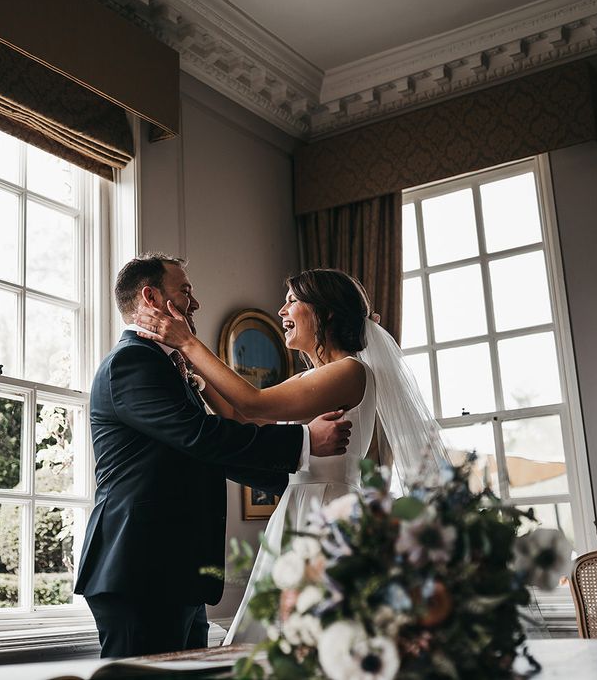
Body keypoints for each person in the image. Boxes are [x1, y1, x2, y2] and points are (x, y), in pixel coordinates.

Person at [134, 268, 447, 643]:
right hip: (300, 506)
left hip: (326, 513)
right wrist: (197, 382)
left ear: (325, 313)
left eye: (292, 301)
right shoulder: (310, 378)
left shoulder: (350, 371)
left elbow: (256, 402)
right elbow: (242, 415)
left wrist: (187, 343)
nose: (282, 311)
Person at [74, 254, 353, 658]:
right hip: (140, 568)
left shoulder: (167, 366)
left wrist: (295, 484)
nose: (196, 302)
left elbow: (207, 453)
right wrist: (304, 443)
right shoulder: (131, 362)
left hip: (176, 571)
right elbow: (203, 437)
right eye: (185, 291)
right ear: (151, 297)